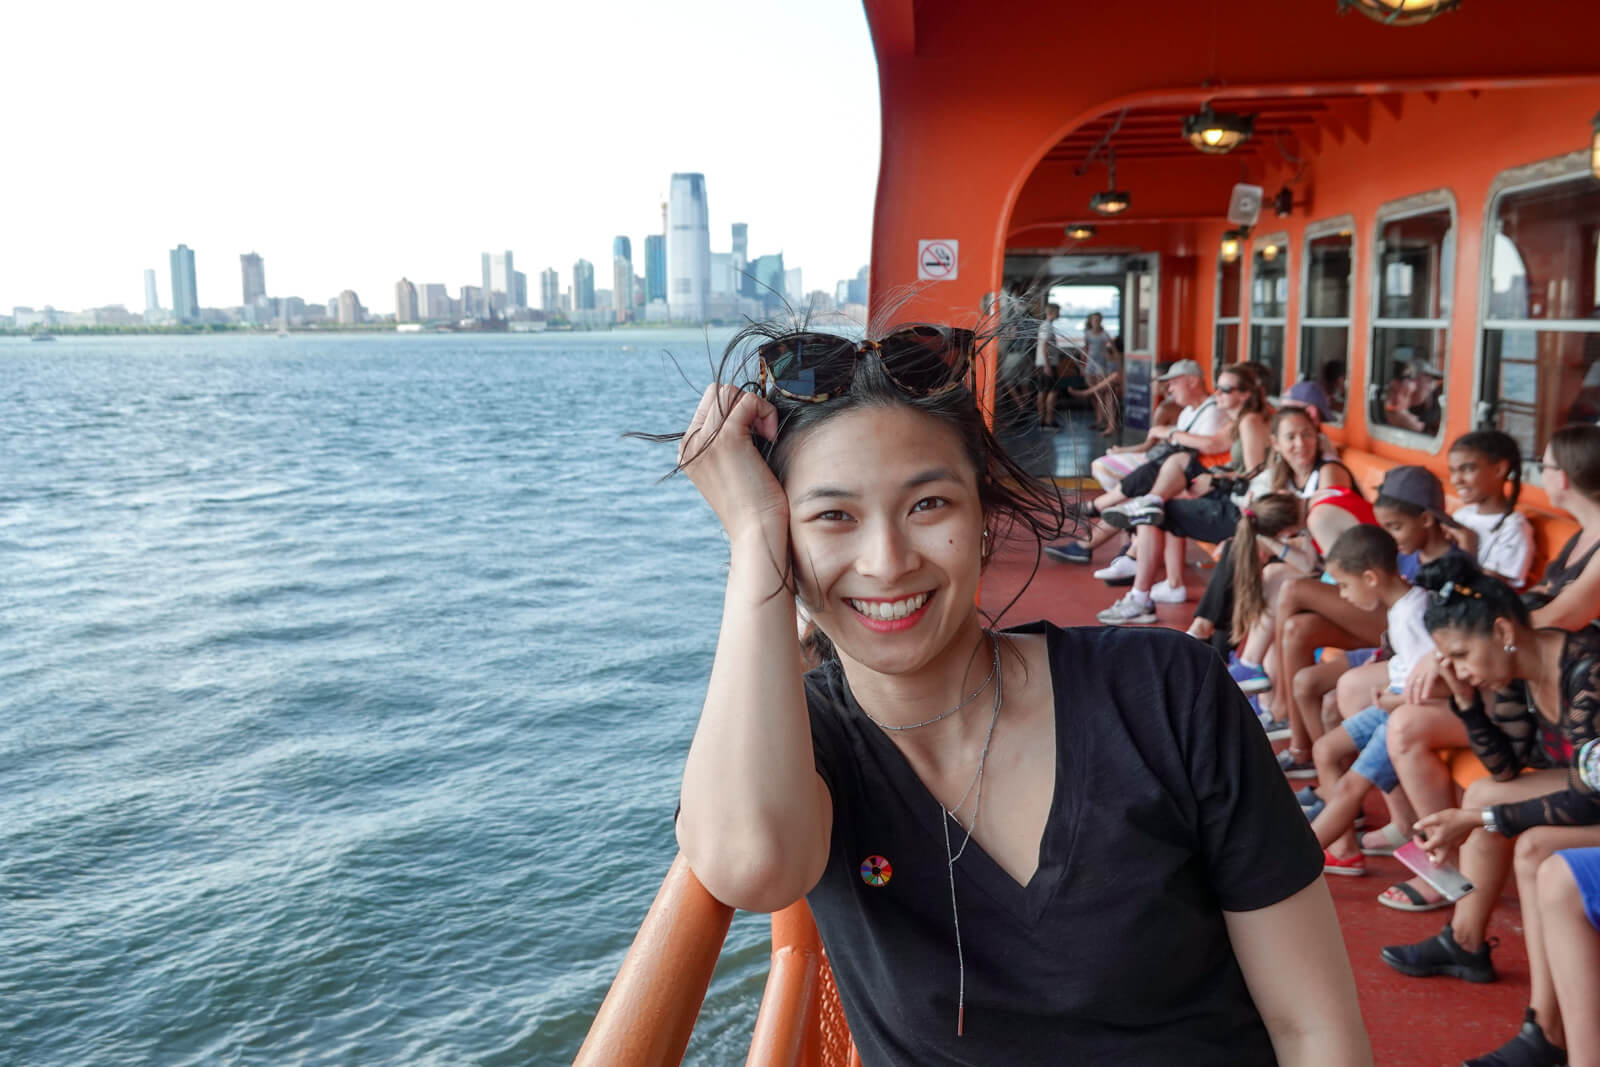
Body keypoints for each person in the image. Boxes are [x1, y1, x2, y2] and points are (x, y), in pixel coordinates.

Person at [669, 321, 1370, 1064]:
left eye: (928, 504)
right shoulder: (802, 749)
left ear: (983, 512)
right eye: (832, 516)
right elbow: (751, 864)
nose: (887, 561)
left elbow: (1312, 1027)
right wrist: (750, 534)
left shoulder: (1165, 693)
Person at [1379, 557, 1600, 1067]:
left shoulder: (1588, 669)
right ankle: (1466, 942)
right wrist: (1466, 702)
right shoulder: (1516, 669)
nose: (1455, 668)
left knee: (1532, 846)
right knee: (1482, 794)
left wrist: (1480, 822)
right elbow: (1505, 768)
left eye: (1459, 655)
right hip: (1588, 787)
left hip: (1595, 792)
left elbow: (1590, 797)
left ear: (1502, 629)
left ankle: (1545, 1029)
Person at [1302, 526, 1443, 877]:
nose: (1343, 595)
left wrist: (1394, 700)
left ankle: (1293, 865)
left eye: (1345, 585)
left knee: (1352, 784)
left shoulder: (1414, 614)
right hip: (1391, 706)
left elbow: (1433, 684)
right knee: (1325, 750)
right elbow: (1407, 666)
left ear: (1370, 577)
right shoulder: (1399, 609)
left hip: (1404, 713)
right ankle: (1344, 848)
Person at [1093, 364, 1271, 622]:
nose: (1217, 393)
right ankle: (1148, 507)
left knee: (1155, 514)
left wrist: (1218, 480)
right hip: (1234, 497)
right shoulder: (1238, 421)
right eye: (1218, 386)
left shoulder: (1251, 422)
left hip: (1244, 510)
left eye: (1225, 389)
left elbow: (1258, 474)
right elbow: (1224, 452)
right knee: (1172, 472)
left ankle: (1140, 596)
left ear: (1243, 395)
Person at [1184, 407, 1355, 655]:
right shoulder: (1281, 476)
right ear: (1275, 443)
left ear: (1317, 437)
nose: (1301, 443)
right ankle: (1216, 648)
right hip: (1303, 554)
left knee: (1242, 553)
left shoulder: (1328, 473)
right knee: (1240, 551)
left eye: (1307, 434)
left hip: (1328, 564)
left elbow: (1324, 533)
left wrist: (1268, 541)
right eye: (1291, 437)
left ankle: (1210, 638)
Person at [1045, 359, 1226, 564]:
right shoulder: (1187, 412)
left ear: (1193, 381)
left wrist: (1171, 432)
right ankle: (1105, 545)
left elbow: (1202, 449)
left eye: (1174, 382)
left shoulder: (1212, 412)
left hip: (1199, 479)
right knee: (1140, 497)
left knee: (1143, 496)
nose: (1169, 388)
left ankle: (1105, 539)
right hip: (1178, 475)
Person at [1447, 430, 1532, 588]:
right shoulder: (1463, 515)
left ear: (1499, 469)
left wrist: (1467, 544)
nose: (1456, 480)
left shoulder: (1512, 529)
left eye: (1467, 469)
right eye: (1453, 471)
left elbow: (1486, 592)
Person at [1034, 302, 1070, 429]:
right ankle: (1048, 420)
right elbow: (1044, 345)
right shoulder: (1047, 326)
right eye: (1058, 311)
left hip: (1043, 363)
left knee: (1043, 391)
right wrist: (1047, 365)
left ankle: (1042, 420)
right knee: (1052, 391)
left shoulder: (1046, 326)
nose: (1059, 314)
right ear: (1053, 312)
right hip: (1047, 364)